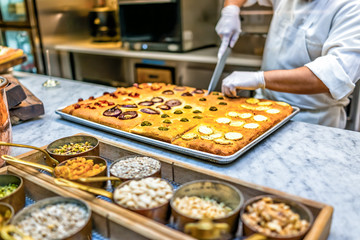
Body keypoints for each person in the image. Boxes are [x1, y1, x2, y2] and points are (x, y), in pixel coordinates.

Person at [216, 0, 360, 128]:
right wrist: (231, 10)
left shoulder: (352, 7)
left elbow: (334, 76)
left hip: (311, 120)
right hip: (262, 107)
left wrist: (260, 79)